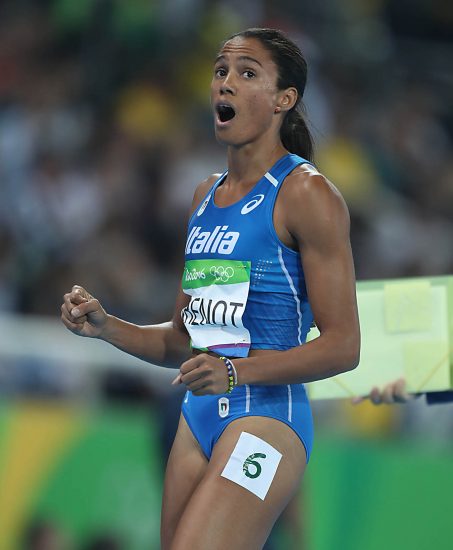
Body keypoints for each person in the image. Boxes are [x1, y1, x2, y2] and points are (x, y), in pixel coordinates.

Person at [61, 28, 360, 549]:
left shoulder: (306, 193)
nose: (226, 83)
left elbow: (344, 346)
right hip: (197, 419)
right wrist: (108, 327)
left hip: (268, 417)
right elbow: (184, 341)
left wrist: (234, 371)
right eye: (221, 71)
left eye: (247, 74)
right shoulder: (204, 198)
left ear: (283, 100)